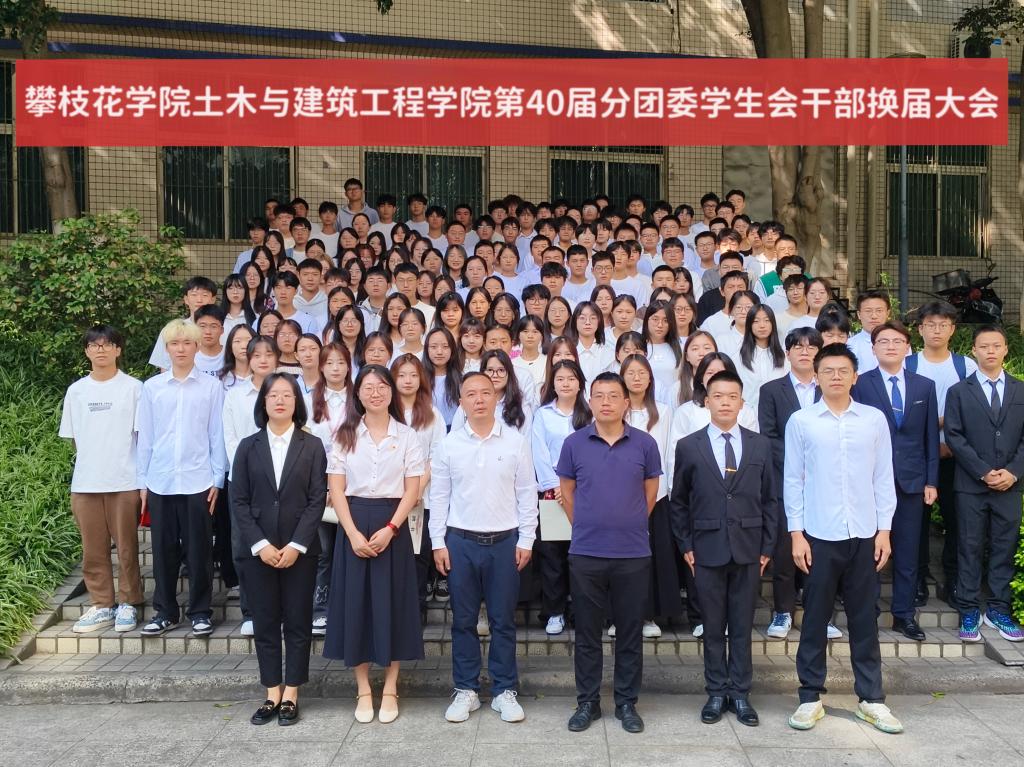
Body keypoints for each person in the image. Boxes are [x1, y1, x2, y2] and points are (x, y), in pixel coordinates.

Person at [784, 343, 903, 734]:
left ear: (855, 376)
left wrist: (884, 530)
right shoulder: (802, 421)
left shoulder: (873, 420)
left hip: (865, 535)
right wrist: (796, 533)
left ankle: (871, 699)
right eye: (827, 371)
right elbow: (793, 480)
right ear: (816, 376)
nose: (835, 377)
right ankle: (809, 697)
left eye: (842, 371)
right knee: (815, 618)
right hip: (819, 535)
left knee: (864, 619)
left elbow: (883, 477)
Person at [670, 370, 777, 727]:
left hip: (749, 548)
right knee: (713, 626)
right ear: (707, 401)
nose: (725, 402)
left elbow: (770, 499)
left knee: (742, 626)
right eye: (718, 396)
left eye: (732, 396)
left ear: (742, 402)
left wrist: (767, 545)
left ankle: (741, 694)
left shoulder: (760, 445)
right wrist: (685, 543)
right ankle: (716, 691)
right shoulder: (689, 446)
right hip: (706, 548)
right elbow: (679, 501)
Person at [429, 372, 538, 724]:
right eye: (471, 394)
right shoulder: (449, 444)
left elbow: (527, 493)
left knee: (503, 620)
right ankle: (466, 689)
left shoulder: (515, 441)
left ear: (496, 398)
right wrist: (437, 542)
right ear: (460, 401)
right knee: (463, 621)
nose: (479, 399)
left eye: (486, 393)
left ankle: (504, 689)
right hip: (460, 541)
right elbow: (439, 496)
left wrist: (526, 539)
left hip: (505, 542)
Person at [557, 372, 661, 735]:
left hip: (632, 553)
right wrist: (586, 525)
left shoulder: (645, 444)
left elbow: (650, 493)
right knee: (587, 633)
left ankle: (627, 703)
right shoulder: (574, 443)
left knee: (630, 631)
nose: (606, 402)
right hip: (586, 552)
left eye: (613, 396)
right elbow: (566, 492)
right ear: (590, 401)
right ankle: (587, 702)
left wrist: (629, 522)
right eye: (599, 395)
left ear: (626, 403)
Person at [324, 365, 425, 724]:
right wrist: (352, 533)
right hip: (354, 522)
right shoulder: (346, 434)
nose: (376, 393)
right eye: (368, 387)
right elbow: (336, 488)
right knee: (357, 605)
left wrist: (391, 528)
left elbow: (413, 488)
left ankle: (392, 687)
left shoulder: (407, 435)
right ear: (358, 393)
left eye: (382, 386)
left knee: (392, 604)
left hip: (391, 524)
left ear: (391, 392)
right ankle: (364, 689)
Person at [230, 373, 328, 726]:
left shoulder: (312, 445)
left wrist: (296, 545)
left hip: (299, 550)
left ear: (296, 402)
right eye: (273, 395)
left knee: (298, 622)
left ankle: (292, 693)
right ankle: (272, 691)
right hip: (259, 551)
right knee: (266, 622)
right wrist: (260, 544)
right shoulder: (248, 446)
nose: (280, 400)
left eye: (287, 394)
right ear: (264, 402)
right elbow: (238, 501)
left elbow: (317, 499)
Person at [137, 319, 226, 637]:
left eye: (187, 343)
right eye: (174, 343)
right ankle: (165, 612)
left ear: (197, 347)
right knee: (163, 550)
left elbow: (217, 435)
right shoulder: (152, 388)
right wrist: (142, 482)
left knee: (199, 550)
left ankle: (200, 612)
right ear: (166, 348)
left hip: (198, 480)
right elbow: (145, 438)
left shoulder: (212, 387)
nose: (181, 349)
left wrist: (218, 479)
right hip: (160, 480)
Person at [852, 321, 938, 642]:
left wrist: (931, 481)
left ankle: (904, 614)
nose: (890, 346)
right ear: (873, 348)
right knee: (868, 551)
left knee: (907, 551)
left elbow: (930, 437)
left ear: (907, 347)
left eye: (897, 341)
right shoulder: (860, 383)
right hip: (870, 482)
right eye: (883, 341)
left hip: (911, 483)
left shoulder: (924, 386)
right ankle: (869, 613)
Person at [59, 325, 144, 634]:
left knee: (127, 548)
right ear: (86, 352)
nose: (101, 350)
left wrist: (142, 482)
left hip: (124, 480)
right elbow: (74, 438)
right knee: (92, 549)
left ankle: (129, 603)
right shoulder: (76, 391)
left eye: (107, 344)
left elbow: (142, 437)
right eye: (94, 345)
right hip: (86, 483)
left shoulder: (134, 388)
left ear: (118, 350)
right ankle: (102, 604)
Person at [945, 325, 1024, 643]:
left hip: (1010, 485)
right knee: (969, 546)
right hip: (971, 485)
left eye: (996, 345)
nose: (990, 351)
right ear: (974, 351)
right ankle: (968, 609)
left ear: (1006, 350)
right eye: (984, 346)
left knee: (1004, 547)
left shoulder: (1021, 390)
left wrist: (1013, 472)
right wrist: (983, 471)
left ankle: (998, 609)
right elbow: (954, 435)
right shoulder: (958, 391)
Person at [907, 300, 976, 605]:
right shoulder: (908, 363)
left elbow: (974, 411)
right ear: (920, 329)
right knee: (915, 522)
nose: (936, 330)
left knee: (956, 519)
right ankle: (918, 578)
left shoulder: (965, 366)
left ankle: (953, 580)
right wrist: (935, 428)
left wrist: (948, 433)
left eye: (943, 325)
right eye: (930, 325)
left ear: (953, 329)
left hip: (955, 457)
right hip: (916, 458)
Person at [757, 327, 824, 640]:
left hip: (824, 484)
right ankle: (783, 611)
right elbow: (768, 436)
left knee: (820, 551)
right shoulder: (772, 390)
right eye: (798, 347)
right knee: (785, 552)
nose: (805, 352)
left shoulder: (830, 388)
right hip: (786, 481)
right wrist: (799, 463)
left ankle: (818, 614)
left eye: (811, 347)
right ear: (787, 353)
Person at [223, 335, 281, 636]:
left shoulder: (289, 391)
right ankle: (251, 611)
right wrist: (254, 471)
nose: (263, 360)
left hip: (283, 481)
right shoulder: (235, 396)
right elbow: (231, 439)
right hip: (245, 482)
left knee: (281, 542)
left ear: (277, 358)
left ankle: (280, 610)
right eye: (256, 355)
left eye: (268, 354)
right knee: (245, 546)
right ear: (247, 358)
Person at [620, 354, 679, 638]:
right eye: (631, 373)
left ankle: (648, 616)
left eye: (642, 373)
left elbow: (669, 454)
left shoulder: (663, 412)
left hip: (656, 496)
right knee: (620, 559)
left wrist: (663, 491)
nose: (636, 378)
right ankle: (619, 616)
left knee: (651, 558)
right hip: (620, 498)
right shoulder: (615, 411)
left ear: (650, 378)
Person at [532, 359, 592, 636]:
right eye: (560, 379)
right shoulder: (543, 415)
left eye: (571, 378)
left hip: (585, 493)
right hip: (551, 493)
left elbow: (594, 453)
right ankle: (554, 611)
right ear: (552, 384)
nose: (566, 383)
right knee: (553, 555)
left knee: (582, 555)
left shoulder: (590, 413)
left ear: (580, 383)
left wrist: (573, 485)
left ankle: (582, 611)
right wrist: (556, 485)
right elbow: (539, 452)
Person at [307, 342, 352, 636]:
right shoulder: (309, 399)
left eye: (341, 362)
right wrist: (322, 486)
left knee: (349, 549)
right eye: (330, 363)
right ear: (321, 367)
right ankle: (321, 608)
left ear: (349, 366)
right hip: (319, 487)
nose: (335, 368)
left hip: (353, 485)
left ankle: (348, 608)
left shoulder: (359, 398)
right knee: (323, 551)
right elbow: (306, 446)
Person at [847, 289, 892, 374]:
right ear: (859, 314)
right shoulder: (849, 345)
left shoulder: (899, 343)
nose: (874, 316)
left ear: (887, 313)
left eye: (879, 311)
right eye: (868, 311)